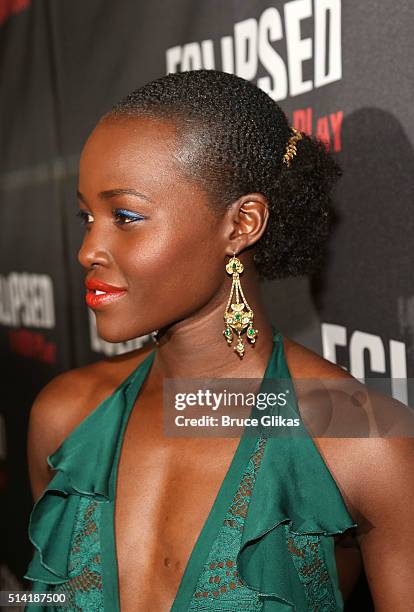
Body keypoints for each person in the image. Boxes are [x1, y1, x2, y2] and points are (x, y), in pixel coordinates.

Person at [23, 69, 413, 611]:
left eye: (126, 216)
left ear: (241, 225)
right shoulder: (65, 418)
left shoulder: (361, 441)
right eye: (88, 217)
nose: (89, 250)